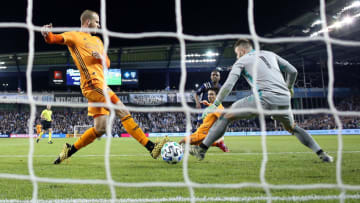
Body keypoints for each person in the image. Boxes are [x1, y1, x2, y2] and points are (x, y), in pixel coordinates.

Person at [41, 9, 169, 164]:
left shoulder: (98, 41)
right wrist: (47, 34)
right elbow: (55, 39)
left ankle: (69, 150)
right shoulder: (74, 36)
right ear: (88, 22)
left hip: (100, 85)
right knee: (122, 110)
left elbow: (107, 62)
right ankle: (151, 147)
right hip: (92, 84)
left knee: (100, 128)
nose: (99, 25)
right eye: (97, 22)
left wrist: (100, 57)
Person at [189, 39, 333, 162]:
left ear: (242, 51)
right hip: (284, 98)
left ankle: (201, 150)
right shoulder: (271, 54)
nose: (237, 57)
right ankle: (321, 153)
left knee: (225, 116)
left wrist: (215, 103)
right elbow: (293, 71)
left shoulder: (242, 60)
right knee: (293, 128)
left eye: (237, 54)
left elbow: (228, 84)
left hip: (264, 97)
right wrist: (289, 87)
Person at [179, 87, 229, 152]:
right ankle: (218, 143)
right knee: (198, 144)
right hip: (202, 132)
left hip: (202, 134)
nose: (209, 96)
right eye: (208, 94)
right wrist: (208, 104)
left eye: (212, 94)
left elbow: (223, 119)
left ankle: (174, 151)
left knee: (182, 142)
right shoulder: (213, 105)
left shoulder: (218, 108)